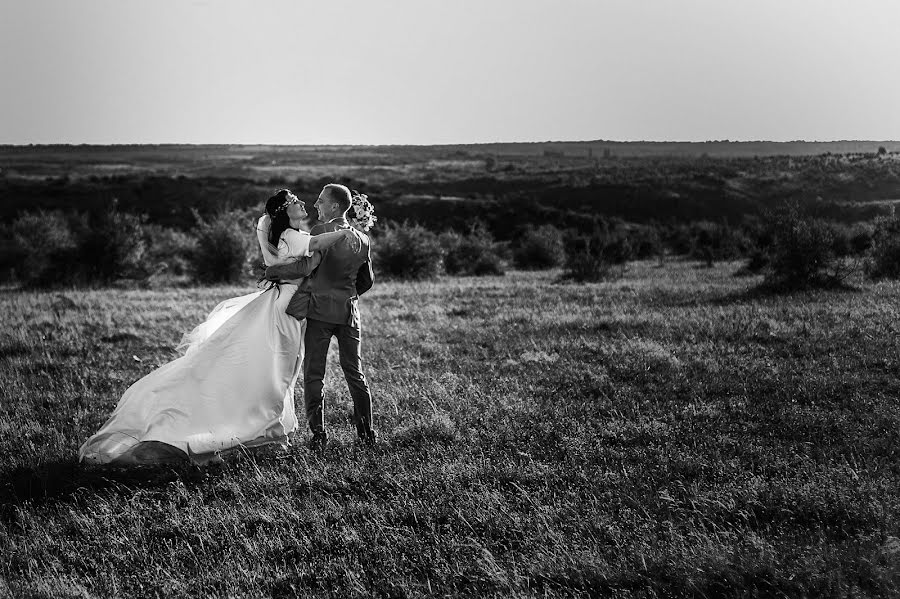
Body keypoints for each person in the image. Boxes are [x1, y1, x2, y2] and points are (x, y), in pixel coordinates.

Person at [78, 189, 356, 465]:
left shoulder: (291, 234)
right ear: (284, 212)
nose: (303, 202)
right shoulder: (293, 236)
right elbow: (315, 249)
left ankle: (269, 428)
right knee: (279, 368)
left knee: (278, 368)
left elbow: (301, 258)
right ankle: (261, 428)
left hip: (286, 303)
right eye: (295, 201)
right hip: (286, 308)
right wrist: (347, 232)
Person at [266, 184, 376, 451]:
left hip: (319, 311)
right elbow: (367, 280)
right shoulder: (363, 239)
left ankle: (319, 434)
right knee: (355, 372)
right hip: (349, 311)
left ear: (335, 206)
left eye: (320, 201)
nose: (315, 205)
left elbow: (307, 267)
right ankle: (366, 433)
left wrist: (272, 271)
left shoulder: (319, 232)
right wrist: (347, 293)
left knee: (314, 373)